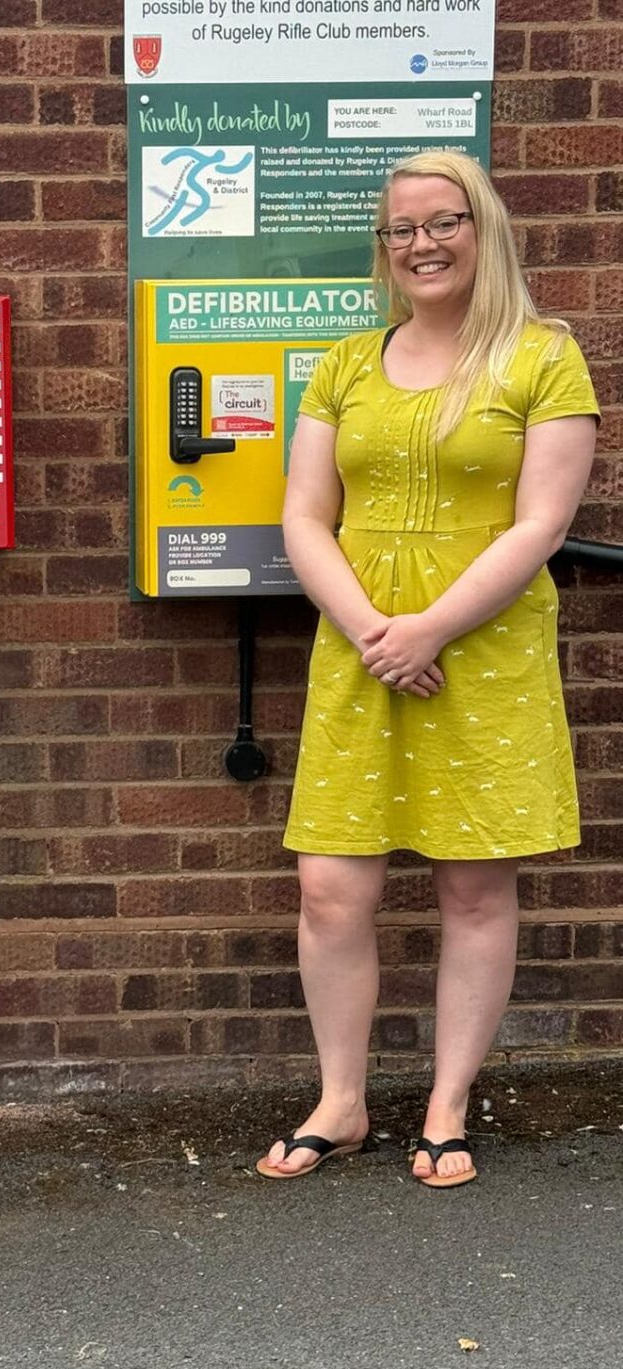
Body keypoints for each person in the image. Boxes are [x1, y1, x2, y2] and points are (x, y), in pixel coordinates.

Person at [258, 150, 598, 1188]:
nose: (420, 245)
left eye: (441, 222)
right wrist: (374, 628)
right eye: (399, 229)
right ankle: (341, 1099)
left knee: (473, 885)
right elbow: (304, 515)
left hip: (481, 656)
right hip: (360, 653)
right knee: (328, 889)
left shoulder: (542, 358)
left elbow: (540, 523)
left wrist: (429, 630)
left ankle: (446, 1102)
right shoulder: (347, 363)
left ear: (481, 228)